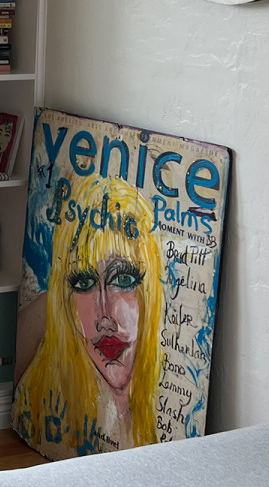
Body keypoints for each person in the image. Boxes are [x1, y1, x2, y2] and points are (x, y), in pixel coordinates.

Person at [12, 175, 164, 458]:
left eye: (123, 279)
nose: (104, 318)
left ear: (151, 292)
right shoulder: (49, 396)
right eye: (84, 283)